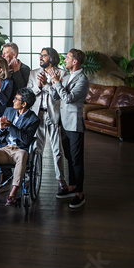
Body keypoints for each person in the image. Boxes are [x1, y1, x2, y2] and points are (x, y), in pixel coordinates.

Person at [0, 88, 40, 206]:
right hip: (5, 148)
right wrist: (1, 128)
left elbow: (26, 139)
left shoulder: (34, 119)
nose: (13, 101)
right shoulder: (9, 111)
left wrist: (11, 127)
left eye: (16, 99)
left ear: (24, 104)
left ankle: (13, 194)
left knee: (23, 154)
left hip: (19, 150)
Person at [48, 48, 90, 208]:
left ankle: (80, 193)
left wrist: (57, 83)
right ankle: (72, 187)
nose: (64, 60)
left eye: (67, 58)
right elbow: (55, 95)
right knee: (69, 157)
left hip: (74, 124)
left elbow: (68, 98)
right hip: (63, 123)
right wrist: (53, 82)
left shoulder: (82, 80)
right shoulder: (66, 76)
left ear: (75, 61)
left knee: (77, 159)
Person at [27, 47, 68, 196]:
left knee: (57, 150)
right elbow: (29, 94)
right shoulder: (33, 73)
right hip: (37, 115)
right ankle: (33, 176)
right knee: (37, 149)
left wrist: (46, 85)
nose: (40, 57)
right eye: (40, 55)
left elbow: (58, 95)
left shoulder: (62, 73)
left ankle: (60, 180)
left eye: (43, 55)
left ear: (51, 58)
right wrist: (38, 87)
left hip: (53, 114)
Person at [2, 42, 31, 107]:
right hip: (3, 104)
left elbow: (23, 89)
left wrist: (16, 71)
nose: (3, 56)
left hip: (17, 105)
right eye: (2, 53)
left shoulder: (25, 69)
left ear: (14, 55)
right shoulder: (2, 68)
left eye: (5, 53)